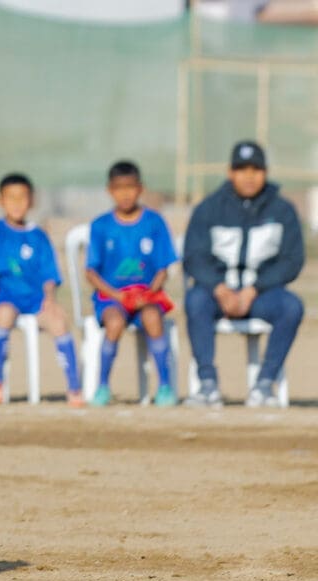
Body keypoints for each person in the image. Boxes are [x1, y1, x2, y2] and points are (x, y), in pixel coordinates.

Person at [183, 140, 305, 408]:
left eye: (256, 169)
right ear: (230, 172)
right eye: (242, 169)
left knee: (292, 307)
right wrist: (219, 288)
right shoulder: (209, 208)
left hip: (262, 295)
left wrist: (255, 289)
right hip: (217, 294)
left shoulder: (282, 210)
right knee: (195, 301)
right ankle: (207, 383)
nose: (249, 176)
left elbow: (292, 260)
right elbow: (194, 257)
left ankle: (264, 385)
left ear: (266, 172)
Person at [0, 173, 83, 406]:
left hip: (35, 299)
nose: (17, 203)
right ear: (0, 201)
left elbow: (49, 274)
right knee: (4, 315)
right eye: (11, 197)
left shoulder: (38, 236)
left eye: (22, 197)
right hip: (6, 297)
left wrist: (49, 298)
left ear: (32, 201)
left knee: (58, 320)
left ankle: (74, 387)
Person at [85, 161, 179, 407]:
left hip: (146, 295)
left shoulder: (154, 222)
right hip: (112, 297)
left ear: (140, 189)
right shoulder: (101, 225)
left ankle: (165, 387)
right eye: (119, 188)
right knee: (114, 323)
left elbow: (163, 268)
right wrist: (116, 295)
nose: (125, 193)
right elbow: (91, 272)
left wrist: (149, 292)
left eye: (130, 187)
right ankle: (103, 386)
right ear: (109, 190)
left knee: (153, 319)